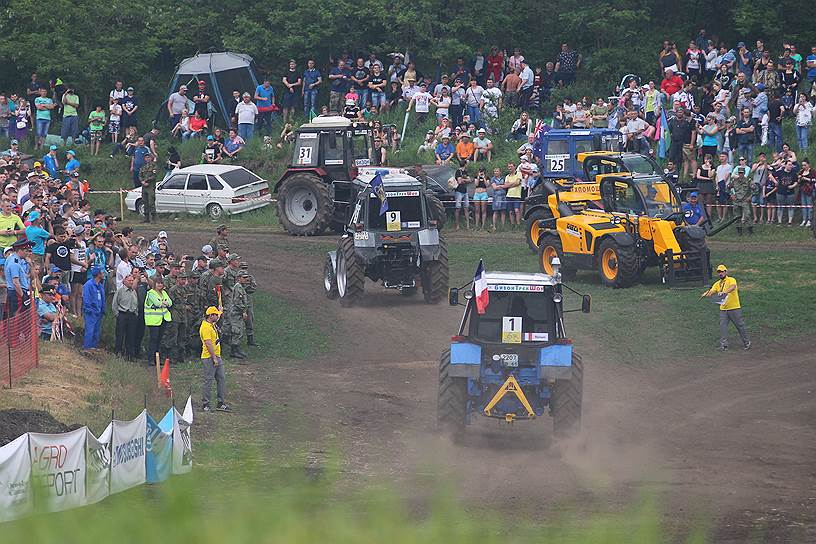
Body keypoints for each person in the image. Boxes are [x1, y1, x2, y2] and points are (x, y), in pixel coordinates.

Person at [702, 264, 750, 351]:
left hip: (734, 308)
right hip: (723, 309)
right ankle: (724, 345)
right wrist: (706, 294)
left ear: (725, 272)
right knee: (723, 327)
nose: (720, 273)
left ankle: (747, 342)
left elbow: (733, 287)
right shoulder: (717, 284)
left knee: (740, 325)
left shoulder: (731, 280)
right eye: (719, 272)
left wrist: (724, 292)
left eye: (722, 272)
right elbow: (712, 291)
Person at [200, 306, 230, 413]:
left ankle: (220, 403)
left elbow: (218, 316)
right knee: (208, 380)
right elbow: (208, 344)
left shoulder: (211, 324)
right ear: (210, 316)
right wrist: (214, 358)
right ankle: (205, 404)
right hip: (209, 357)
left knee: (221, 378)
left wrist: (220, 311)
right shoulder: (205, 328)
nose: (218, 317)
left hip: (217, 356)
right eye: (216, 315)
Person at [144, 275, 172, 365]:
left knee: (159, 340)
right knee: (153, 339)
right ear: (154, 284)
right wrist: (163, 303)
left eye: (161, 283)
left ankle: (157, 359)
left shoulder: (164, 292)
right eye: (158, 283)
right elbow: (157, 303)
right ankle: (150, 359)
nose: (160, 285)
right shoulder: (151, 293)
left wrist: (164, 303)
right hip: (153, 320)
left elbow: (170, 303)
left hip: (163, 319)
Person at [112, 272, 139, 359]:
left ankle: (129, 354)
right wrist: (117, 314)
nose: (131, 282)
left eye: (132, 280)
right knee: (120, 335)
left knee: (131, 335)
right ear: (124, 281)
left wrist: (135, 313)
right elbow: (115, 303)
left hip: (132, 315)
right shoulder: (120, 291)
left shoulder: (134, 291)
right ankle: (118, 353)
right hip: (122, 314)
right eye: (129, 280)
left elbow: (136, 303)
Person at [5, 238, 33, 317]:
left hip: (16, 292)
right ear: (19, 250)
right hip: (17, 293)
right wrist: (22, 296)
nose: (28, 253)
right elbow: (15, 282)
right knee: (18, 316)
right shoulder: (15, 263)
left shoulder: (12, 258)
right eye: (26, 251)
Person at [728, 157, 753, 235]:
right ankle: (739, 231)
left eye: (742, 173)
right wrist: (731, 195)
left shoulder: (748, 181)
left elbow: (756, 189)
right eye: (740, 173)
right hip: (736, 200)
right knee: (737, 216)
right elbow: (727, 188)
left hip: (745, 200)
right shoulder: (734, 181)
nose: (741, 174)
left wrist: (750, 196)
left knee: (748, 215)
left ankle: (750, 231)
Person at [82, 266, 105, 349]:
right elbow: (86, 298)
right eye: (102, 272)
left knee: (96, 331)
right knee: (90, 330)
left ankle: (94, 347)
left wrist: (103, 310)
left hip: (99, 312)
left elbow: (102, 299)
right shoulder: (89, 285)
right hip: (91, 312)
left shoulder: (100, 286)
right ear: (98, 274)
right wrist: (89, 309)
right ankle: (87, 348)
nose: (104, 274)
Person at [139, 153, 157, 223]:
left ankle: (154, 218)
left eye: (148, 157)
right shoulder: (143, 167)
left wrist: (146, 181)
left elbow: (154, 176)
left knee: (151, 202)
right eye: (146, 157)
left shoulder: (154, 166)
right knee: (145, 202)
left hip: (150, 186)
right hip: (144, 186)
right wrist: (142, 181)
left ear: (151, 158)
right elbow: (140, 175)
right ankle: (146, 218)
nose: (147, 159)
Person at [453, 161, 470, 230]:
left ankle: (468, 226)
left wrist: (464, 180)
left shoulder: (465, 172)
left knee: (466, 208)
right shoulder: (458, 172)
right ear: (465, 164)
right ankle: (457, 225)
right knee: (458, 208)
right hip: (458, 191)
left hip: (465, 191)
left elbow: (469, 180)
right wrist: (466, 180)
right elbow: (459, 181)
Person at [797, 159, 814, 227]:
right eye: (802, 165)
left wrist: (806, 179)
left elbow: (814, 180)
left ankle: (809, 220)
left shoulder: (812, 171)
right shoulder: (801, 171)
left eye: (805, 165)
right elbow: (798, 181)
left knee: (809, 205)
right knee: (803, 206)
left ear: (808, 164)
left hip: (809, 190)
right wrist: (799, 178)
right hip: (802, 190)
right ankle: (804, 219)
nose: (803, 166)